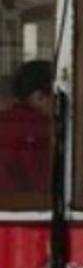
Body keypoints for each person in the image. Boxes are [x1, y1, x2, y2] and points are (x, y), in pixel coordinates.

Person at [0, 59, 53, 194]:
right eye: (56, 97)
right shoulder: (36, 129)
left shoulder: (7, 121)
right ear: (39, 97)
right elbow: (44, 187)